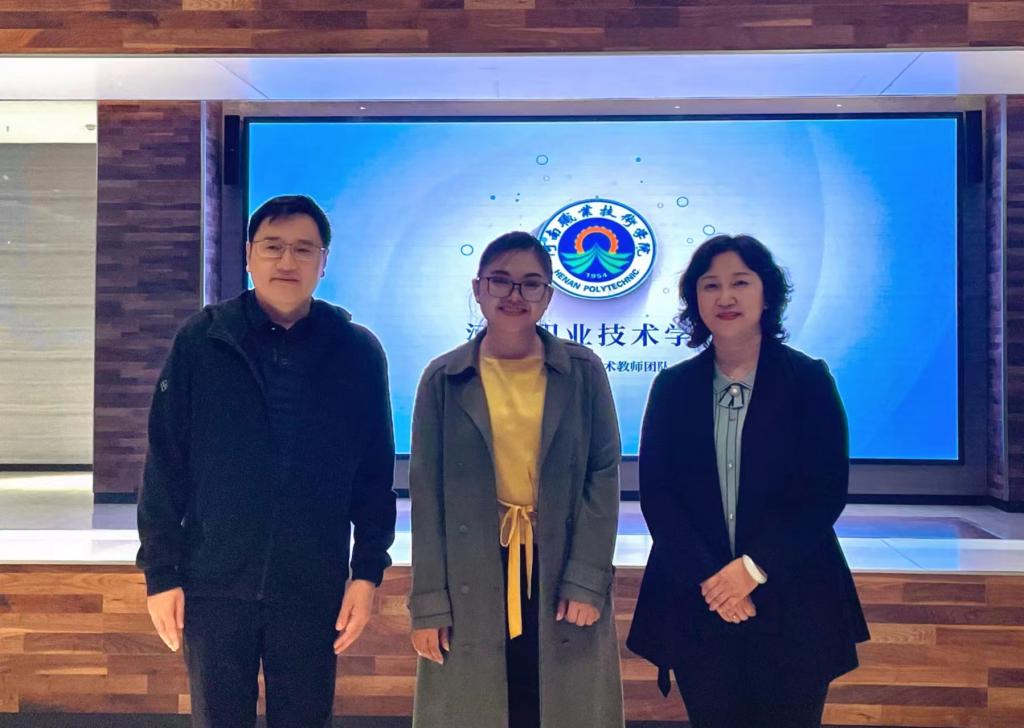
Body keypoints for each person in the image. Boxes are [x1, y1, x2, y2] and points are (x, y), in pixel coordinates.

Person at [136, 194, 397, 728]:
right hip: (214, 584)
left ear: (324, 262)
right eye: (273, 247)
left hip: (312, 587)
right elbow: (165, 463)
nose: (287, 262)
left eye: (304, 249)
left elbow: (374, 474)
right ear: (249, 256)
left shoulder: (356, 351)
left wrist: (367, 572)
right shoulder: (203, 340)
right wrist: (160, 573)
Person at [627, 234, 869, 728]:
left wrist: (752, 570)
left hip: (794, 598)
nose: (726, 297)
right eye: (710, 285)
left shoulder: (808, 379)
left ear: (767, 293)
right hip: (700, 599)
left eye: (740, 282)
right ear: (695, 300)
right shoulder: (673, 388)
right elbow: (659, 496)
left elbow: (823, 492)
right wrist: (716, 582)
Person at [407, 231, 625, 728]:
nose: (514, 295)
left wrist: (587, 579)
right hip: (472, 568)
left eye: (530, 284)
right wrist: (428, 606)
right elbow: (426, 495)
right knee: (480, 707)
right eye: (500, 281)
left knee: (556, 705)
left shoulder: (583, 372)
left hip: (559, 564)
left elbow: (602, 474)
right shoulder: (444, 378)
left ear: (547, 296)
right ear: (478, 288)